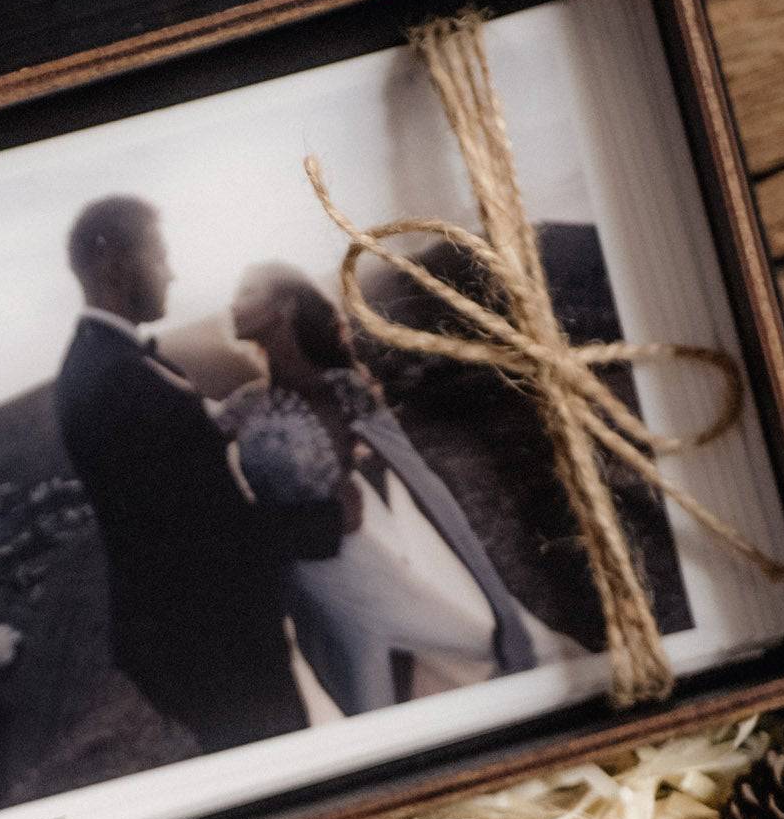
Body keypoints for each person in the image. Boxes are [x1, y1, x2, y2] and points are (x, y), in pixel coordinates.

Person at [53, 197, 348, 752]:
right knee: (283, 774)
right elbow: (201, 535)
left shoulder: (106, 362)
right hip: (209, 642)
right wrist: (327, 520)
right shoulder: (115, 379)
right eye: (160, 256)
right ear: (117, 265)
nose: (172, 273)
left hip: (190, 631)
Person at [222, 263, 557, 714]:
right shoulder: (244, 404)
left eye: (246, 290)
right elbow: (181, 446)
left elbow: (421, 480)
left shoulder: (343, 390)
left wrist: (497, 600)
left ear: (284, 305)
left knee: (454, 652)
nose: (232, 304)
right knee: (339, 688)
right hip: (296, 578)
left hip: (355, 568)